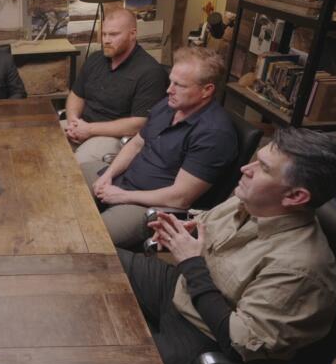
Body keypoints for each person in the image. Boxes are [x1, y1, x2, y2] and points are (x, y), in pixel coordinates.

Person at [120, 128, 336, 364]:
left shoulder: (300, 269)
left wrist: (191, 263)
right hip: (181, 289)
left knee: (109, 360)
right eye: (256, 159)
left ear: (295, 196)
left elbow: (238, 344)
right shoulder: (252, 201)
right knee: (99, 264)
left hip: (205, 335)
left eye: (264, 168)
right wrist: (184, 231)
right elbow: (206, 224)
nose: (246, 168)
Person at [82, 46, 238, 249]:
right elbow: (136, 143)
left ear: (206, 90)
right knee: (64, 182)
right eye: (171, 81)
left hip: (147, 205)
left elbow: (180, 198)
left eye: (179, 85)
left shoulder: (214, 134)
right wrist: (108, 175)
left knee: (88, 238)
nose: (169, 90)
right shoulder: (169, 105)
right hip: (124, 180)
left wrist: (121, 195)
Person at [63, 8, 168, 164]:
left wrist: (89, 130)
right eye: (104, 34)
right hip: (81, 124)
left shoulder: (150, 72)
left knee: (74, 167)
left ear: (132, 34)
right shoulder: (95, 59)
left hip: (112, 136)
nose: (106, 40)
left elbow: (139, 123)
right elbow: (76, 95)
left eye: (113, 34)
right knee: (42, 146)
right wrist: (73, 121)